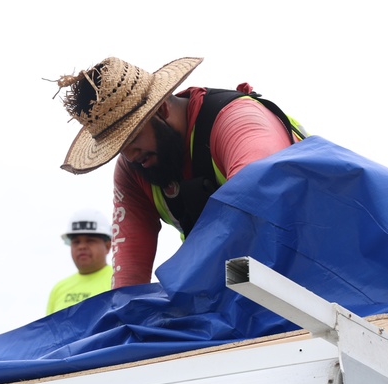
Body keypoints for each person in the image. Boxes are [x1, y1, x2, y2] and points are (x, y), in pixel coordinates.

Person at [55, 56, 306, 289]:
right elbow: (128, 280)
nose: (130, 155)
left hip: (318, 266)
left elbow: (258, 209)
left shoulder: (239, 121)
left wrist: (187, 288)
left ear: (162, 110)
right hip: (242, 280)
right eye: (118, 148)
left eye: (131, 138)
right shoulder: (133, 170)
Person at [46, 209, 114, 315]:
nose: (81, 246)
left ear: (107, 246)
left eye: (90, 240)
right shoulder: (58, 289)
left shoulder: (118, 282)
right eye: (76, 242)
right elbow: (50, 331)